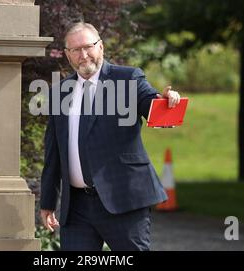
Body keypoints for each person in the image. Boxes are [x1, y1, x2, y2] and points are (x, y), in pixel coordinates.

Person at [40, 22, 181, 251]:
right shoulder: (59, 92)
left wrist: (164, 102)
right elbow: (53, 152)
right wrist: (47, 202)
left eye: (88, 47)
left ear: (101, 47)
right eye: (75, 50)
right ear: (67, 56)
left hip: (123, 199)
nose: (83, 55)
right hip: (76, 209)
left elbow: (149, 102)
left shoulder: (127, 79)